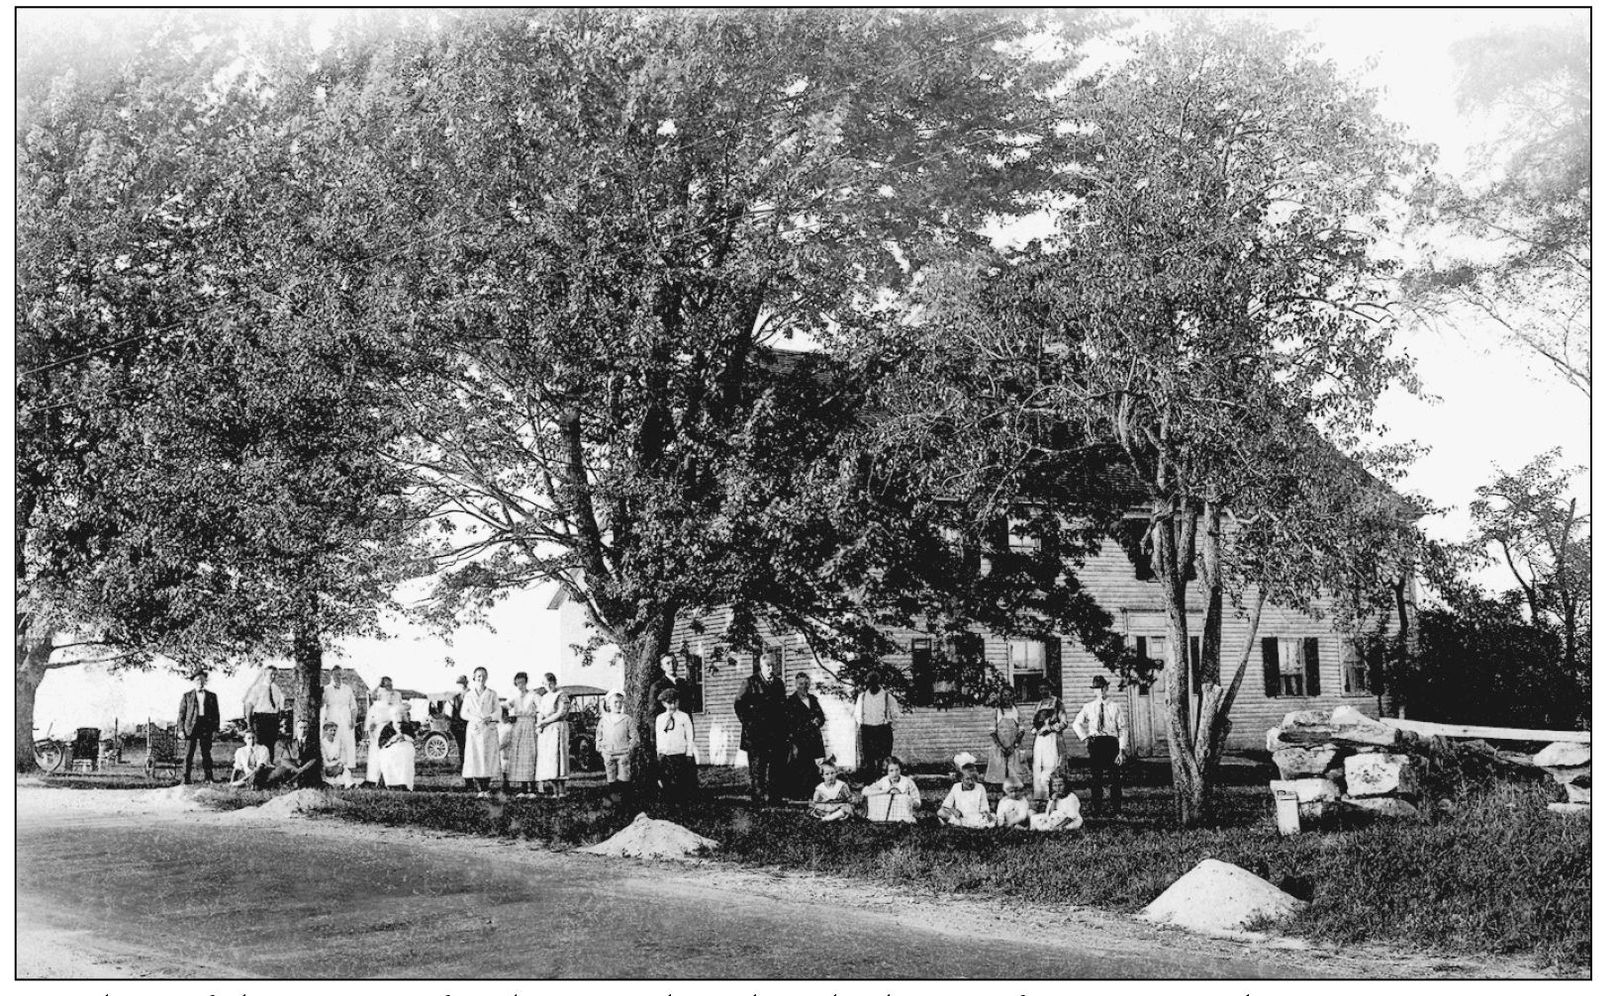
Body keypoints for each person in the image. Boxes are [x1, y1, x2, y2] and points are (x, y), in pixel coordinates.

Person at [1073, 674, 1130, 816]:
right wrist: (1085, 738)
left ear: (1106, 688)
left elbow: (1123, 728)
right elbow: (1076, 723)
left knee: (1115, 778)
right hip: (1096, 743)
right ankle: (1097, 809)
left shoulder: (1115, 707)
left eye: (1102, 688)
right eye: (1096, 689)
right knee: (1096, 778)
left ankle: (1116, 810)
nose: (1099, 691)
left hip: (1111, 743)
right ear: (1094, 690)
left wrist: (1121, 750)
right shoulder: (1089, 707)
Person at [734, 657, 785, 804]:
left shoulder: (779, 684)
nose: (771, 669)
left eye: (773, 666)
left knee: (776, 767)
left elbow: (782, 709)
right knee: (758, 768)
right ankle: (758, 799)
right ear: (761, 666)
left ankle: (775, 798)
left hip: (775, 734)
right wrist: (749, 723)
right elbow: (739, 704)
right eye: (767, 666)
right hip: (756, 735)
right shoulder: (750, 682)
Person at [782, 673, 827, 799]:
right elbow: (788, 724)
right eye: (801, 684)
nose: (804, 687)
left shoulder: (813, 699)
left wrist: (818, 720)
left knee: (813, 768)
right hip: (799, 740)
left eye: (806, 684)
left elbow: (822, 717)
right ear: (796, 685)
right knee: (799, 767)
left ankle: (812, 794)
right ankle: (797, 795)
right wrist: (792, 743)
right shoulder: (791, 702)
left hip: (814, 739)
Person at [459, 666, 501, 796]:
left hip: (488, 729)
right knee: (475, 757)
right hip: (475, 730)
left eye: (483, 676)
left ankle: (486, 788)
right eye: (478, 676)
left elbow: (498, 711)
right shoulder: (469, 695)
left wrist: (491, 717)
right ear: (474, 678)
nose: (481, 678)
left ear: (486, 677)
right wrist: (475, 719)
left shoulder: (492, 693)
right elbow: (463, 713)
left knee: (487, 758)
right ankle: (479, 789)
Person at [654, 687, 698, 804]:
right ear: (663, 703)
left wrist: (689, 753)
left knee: (680, 782)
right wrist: (659, 754)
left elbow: (689, 736)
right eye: (669, 703)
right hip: (665, 756)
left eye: (675, 702)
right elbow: (659, 737)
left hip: (679, 755)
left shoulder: (684, 717)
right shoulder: (660, 719)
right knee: (665, 782)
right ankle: (669, 806)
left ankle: (681, 806)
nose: (672, 705)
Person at [853, 675, 900, 782]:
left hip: (883, 731)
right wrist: (864, 725)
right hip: (867, 731)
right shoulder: (862, 697)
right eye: (870, 683)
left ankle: (884, 788)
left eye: (875, 682)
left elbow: (896, 715)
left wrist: (889, 728)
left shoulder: (887, 697)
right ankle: (869, 790)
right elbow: (857, 715)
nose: (872, 685)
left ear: (879, 682)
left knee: (883, 762)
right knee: (868, 762)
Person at [177, 670, 220, 784]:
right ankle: (185, 779)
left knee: (206, 753)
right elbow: (181, 714)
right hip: (191, 727)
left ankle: (209, 778)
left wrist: (215, 730)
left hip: (206, 726)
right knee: (188, 753)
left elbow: (216, 715)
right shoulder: (187, 696)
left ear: (205, 681)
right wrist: (181, 730)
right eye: (197, 680)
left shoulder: (212, 696)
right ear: (193, 681)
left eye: (202, 679)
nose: (200, 682)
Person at [535, 672, 571, 798]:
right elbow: (540, 711)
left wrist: (545, 722)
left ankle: (562, 790)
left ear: (554, 682)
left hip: (557, 728)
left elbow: (561, 713)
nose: (548, 686)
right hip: (546, 731)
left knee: (558, 757)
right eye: (545, 684)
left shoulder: (561, 695)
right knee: (549, 759)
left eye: (550, 683)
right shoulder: (544, 697)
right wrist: (539, 723)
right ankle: (555, 790)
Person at [506, 672, 541, 797]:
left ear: (526, 682)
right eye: (518, 683)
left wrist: (539, 724)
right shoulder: (514, 696)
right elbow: (504, 706)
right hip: (518, 726)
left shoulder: (533, 695)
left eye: (522, 682)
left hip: (530, 725)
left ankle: (532, 789)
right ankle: (523, 789)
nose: (520, 685)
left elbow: (541, 709)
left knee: (530, 756)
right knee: (519, 757)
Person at [319, 668, 358, 782]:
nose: (338, 677)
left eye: (340, 675)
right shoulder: (326, 689)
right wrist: (324, 721)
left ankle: (347, 768)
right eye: (335, 675)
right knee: (333, 741)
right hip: (332, 716)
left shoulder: (347, 689)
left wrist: (353, 719)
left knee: (347, 742)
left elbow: (353, 706)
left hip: (345, 718)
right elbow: (322, 707)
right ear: (331, 675)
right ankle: (332, 766)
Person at [241, 667, 285, 763]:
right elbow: (249, 706)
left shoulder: (276, 689)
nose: (273, 677)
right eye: (270, 674)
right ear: (264, 675)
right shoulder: (257, 688)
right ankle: (258, 768)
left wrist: (278, 720)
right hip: (260, 719)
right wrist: (249, 725)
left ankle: (269, 768)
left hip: (273, 720)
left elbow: (279, 707)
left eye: (275, 675)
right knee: (260, 745)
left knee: (271, 745)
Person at [596, 690, 636, 795]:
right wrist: (600, 749)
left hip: (623, 752)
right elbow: (599, 735)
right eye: (615, 702)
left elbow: (634, 736)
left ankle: (625, 800)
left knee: (624, 777)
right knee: (611, 776)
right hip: (608, 753)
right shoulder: (604, 720)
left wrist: (630, 748)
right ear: (609, 704)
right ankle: (614, 799)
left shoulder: (627, 719)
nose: (618, 705)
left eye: (620, 702)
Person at [985, 689, 1028, 787]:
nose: (1007, 698)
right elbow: (992, 731)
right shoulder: (997, 712)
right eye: (1005, 695)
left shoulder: (1016, 712)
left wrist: (1014, 746)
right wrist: (1001, 747)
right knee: (999, 768)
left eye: (1010, 695)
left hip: (1013, 744)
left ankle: (1013, 787)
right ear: (1001, 697)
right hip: (1000, 745)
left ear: (1013, 696)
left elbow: (1021, 730)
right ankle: (999, 790)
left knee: (1014, 768)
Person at [937, 752, 992, 829]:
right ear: (961, 778)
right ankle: (958, 824)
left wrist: (985, 813)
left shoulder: (980, 788)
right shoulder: (956, 787)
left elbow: (984, 806)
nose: (970, 782)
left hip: (976, 817)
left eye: (973, 779)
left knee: (991, 819)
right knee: (941, 812)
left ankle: (962, 825)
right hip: (960, 817)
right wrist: (954, 811)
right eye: (968, 779)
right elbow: (946, 805)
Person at [861, 756, 922, 823]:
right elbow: (865, 791)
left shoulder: (908, 782)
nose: (895, 774)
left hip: (903, 816)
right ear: (887, 771)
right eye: (891, 771)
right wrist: (885, 792)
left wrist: (911, 802)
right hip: (884, 816)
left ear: (900, 769)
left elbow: (917, 801)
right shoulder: (884, 781)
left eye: (897, 770)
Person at [1033, 678, 1070, 784]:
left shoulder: (1057, 702)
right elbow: (1035, 723)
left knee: (1053, 763)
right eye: (1041, 689)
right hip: (1040, 739)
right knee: (1039, 764)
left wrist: (1050, 728)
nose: (1043, 692)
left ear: (1050, 689)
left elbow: (1064, 723)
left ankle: (1054, 791)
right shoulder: (1038, 705)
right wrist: (1035, 729)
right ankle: (1041, 794)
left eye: (1046, 689)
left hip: (1053, 738)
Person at [268, 720, 321, 788]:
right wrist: (295, 769)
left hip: (307, 770)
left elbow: (314, 759)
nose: (303, 730)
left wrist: (302, 769)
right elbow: (284, 759)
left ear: (308, 729)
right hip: (292, 769)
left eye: (305, 728)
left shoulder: (313, 743)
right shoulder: (289, 743)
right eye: (300, 727)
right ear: (296, 729)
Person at [363, 683, 398, 786]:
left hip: (390, 731)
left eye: (389, 694)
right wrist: (368, 733)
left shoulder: (393, 707)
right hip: (377, 733)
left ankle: (387, 780)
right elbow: (368, 721)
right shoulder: (375, 707)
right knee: (375, 756)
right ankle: (373, 779)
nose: (387, 697)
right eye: (385, 694)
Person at [375, 705, 417, 791]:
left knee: (405, 756)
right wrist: (392, 740)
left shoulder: (407, 726)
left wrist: (404, 737)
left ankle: (404, 783)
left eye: (401, 721)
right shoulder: (387, 728)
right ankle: (391, 783)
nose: (399, 725)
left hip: (404, 748)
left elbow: (412, 739)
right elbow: (381, 743)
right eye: (397, 721)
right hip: (390, 749)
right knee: (389, 758)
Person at [1030, 706, 1062, 802]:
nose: (1043, 714)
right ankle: (1040, 794)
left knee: (1050, 766)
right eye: (1041, 712)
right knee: (1038, 767)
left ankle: (1050, 793)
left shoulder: (1053, 724)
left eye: (1045, 712)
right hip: (1040, 745)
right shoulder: (1037, 725)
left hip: (1050, 745)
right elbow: (1033, 731)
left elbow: (1057, 728)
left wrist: (1050, 727)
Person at [321, 722, 358, 787]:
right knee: (330, 778)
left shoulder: (338, 742)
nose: (333, 732)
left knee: (345, 771)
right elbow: (323, 759)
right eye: (331, 730)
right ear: (325, 731)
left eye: (334, 730)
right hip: (328, 767)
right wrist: (332, 765)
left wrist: (340, 764)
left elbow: (343, 756)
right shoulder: (322, 743)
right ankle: (335, 784)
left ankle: (350, 784)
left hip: (338, 766)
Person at [448, 675, 470, 776]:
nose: (460, 686)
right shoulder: (456, 697)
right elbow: (453, 713)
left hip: (468, 725)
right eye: (459, 684)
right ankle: (463, 766)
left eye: (462, 683)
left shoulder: (471, 694)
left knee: (469, 748)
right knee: (461, 747)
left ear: (466, 684)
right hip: (458, 726)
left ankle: (470, 768)